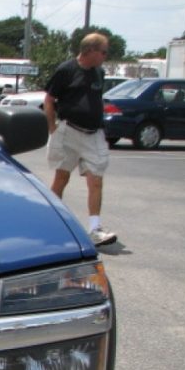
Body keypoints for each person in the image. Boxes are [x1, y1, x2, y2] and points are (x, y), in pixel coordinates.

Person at [44, 32, 117, 246]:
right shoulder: (66, 70)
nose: (105, 55)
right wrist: (52, 128)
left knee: (96, 180)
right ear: (90, 51)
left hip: (93, 134)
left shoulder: (99, 73)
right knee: (61, 178)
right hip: (69, 132)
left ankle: (95, 229)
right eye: (103, 51)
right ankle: (51, 222)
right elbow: (49, 99)